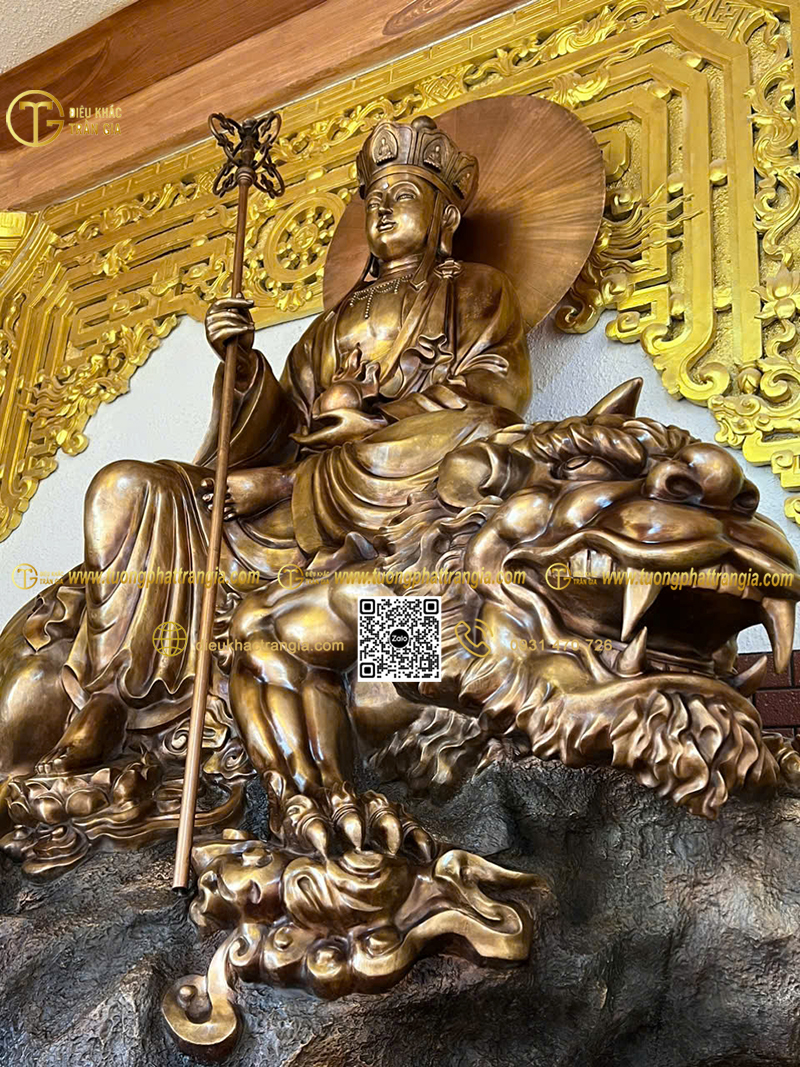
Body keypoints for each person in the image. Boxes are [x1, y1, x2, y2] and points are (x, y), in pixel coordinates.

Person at [18, 114, 531, 774]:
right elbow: (283, 425)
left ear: (446, 216)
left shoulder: (479, 289)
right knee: (127, 486)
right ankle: (113, 692)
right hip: (289, 502)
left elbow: (498, 390)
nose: (383, 211)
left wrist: (376, 421)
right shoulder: (330, 325)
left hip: (383, 490)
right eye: (374, 200)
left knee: (482, 439)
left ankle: (341, 740)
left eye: (402, 196)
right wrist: (241, 370)